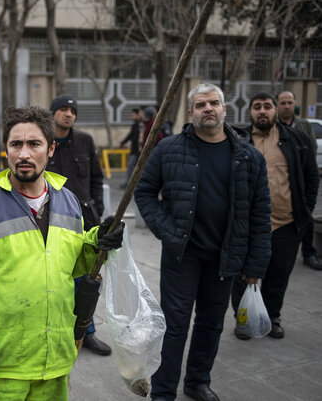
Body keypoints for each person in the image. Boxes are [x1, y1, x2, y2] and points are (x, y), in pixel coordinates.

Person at [0, 106, 124, 401]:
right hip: (0, 367)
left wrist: (96, 243)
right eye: (16, 144)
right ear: (6, 150)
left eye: (34, 144)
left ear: (51, 149)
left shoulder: (68, 200)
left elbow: (71, 263)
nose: (24, 154)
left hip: (54, 362)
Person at [135, 83, 271, 401]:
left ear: (224, 109)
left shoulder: (249, 158)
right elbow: (143, 191)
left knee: (211, 324)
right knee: (176, 326)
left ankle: (197, 382)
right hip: (182, 256)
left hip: (225, 257)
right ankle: (164, 392)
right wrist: (166, 231)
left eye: (213, 103)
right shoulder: (169, 149)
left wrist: (256, 263)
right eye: (200, 105)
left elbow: (260, 213)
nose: (207, 108)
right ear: (191, 112)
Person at [231, 92, 319, 340]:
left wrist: (304, 210)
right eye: (257, 107)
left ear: (275, 110)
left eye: (267, 106)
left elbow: (311, 177)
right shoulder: (239, 141)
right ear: (250, 112)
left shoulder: (296, 139)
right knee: (242, 276)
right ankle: (243, 319)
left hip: (286, 224)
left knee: (279, 274)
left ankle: (273, 317)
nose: (262, 111)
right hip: (246, 226)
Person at [45, 94, 111, 356]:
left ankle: (86, 332)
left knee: (87, 279)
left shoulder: (85, 141)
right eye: (62, 109)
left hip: (84, 221)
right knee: (55, 278)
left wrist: (96, 206)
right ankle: (56, 333)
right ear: (52, 114)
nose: (68, 114)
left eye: (72, 110)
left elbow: (96, 176)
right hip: (49, 222)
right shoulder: (44, 141)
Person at [276, 90, 321, 270]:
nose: (287, 106)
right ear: (278, 105)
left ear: (295, 104)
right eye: (283, 103)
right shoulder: (273, 125)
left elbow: (312, 146)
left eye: (290, 103)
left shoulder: (303, 124)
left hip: (301, 177)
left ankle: (308, 253)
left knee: (306, 217)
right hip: (281, 178)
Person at [120, 107, 143, 188]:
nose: (132, 117)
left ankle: (130, 183)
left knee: (132, 166)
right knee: (132, 167)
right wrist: (123, 142)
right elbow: (131, 136)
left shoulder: (141, 125)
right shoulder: (134, 126)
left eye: (133, 115)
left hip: (139, 151)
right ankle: (130, 183)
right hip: (134, 150)